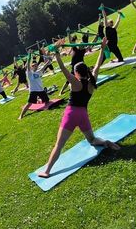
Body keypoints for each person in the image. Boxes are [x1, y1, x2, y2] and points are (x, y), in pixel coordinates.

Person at [38, 38, 121, 178]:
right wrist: (102, 49)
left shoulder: (76, 83)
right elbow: (96, 66)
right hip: (83, 114)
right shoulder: (91, 82)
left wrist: (56, 54)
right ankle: (105, 142)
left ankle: (47, 171)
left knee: (59, 145)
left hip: (71, 114)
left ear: (76, 73)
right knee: (92, 140)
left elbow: (63, 69)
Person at [18, 53, 52, 119]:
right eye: (34, 65)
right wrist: (29, 56)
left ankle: (38, 100)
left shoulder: (39, 72)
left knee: (47, 101)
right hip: (33, 91)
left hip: (41, 90)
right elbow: (27, 64)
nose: (35, 66)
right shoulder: (29, 73)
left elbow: (45, 66)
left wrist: (49, 60)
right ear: (31, 67)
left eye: (36, 65)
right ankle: (21, 115)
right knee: (29, 104)